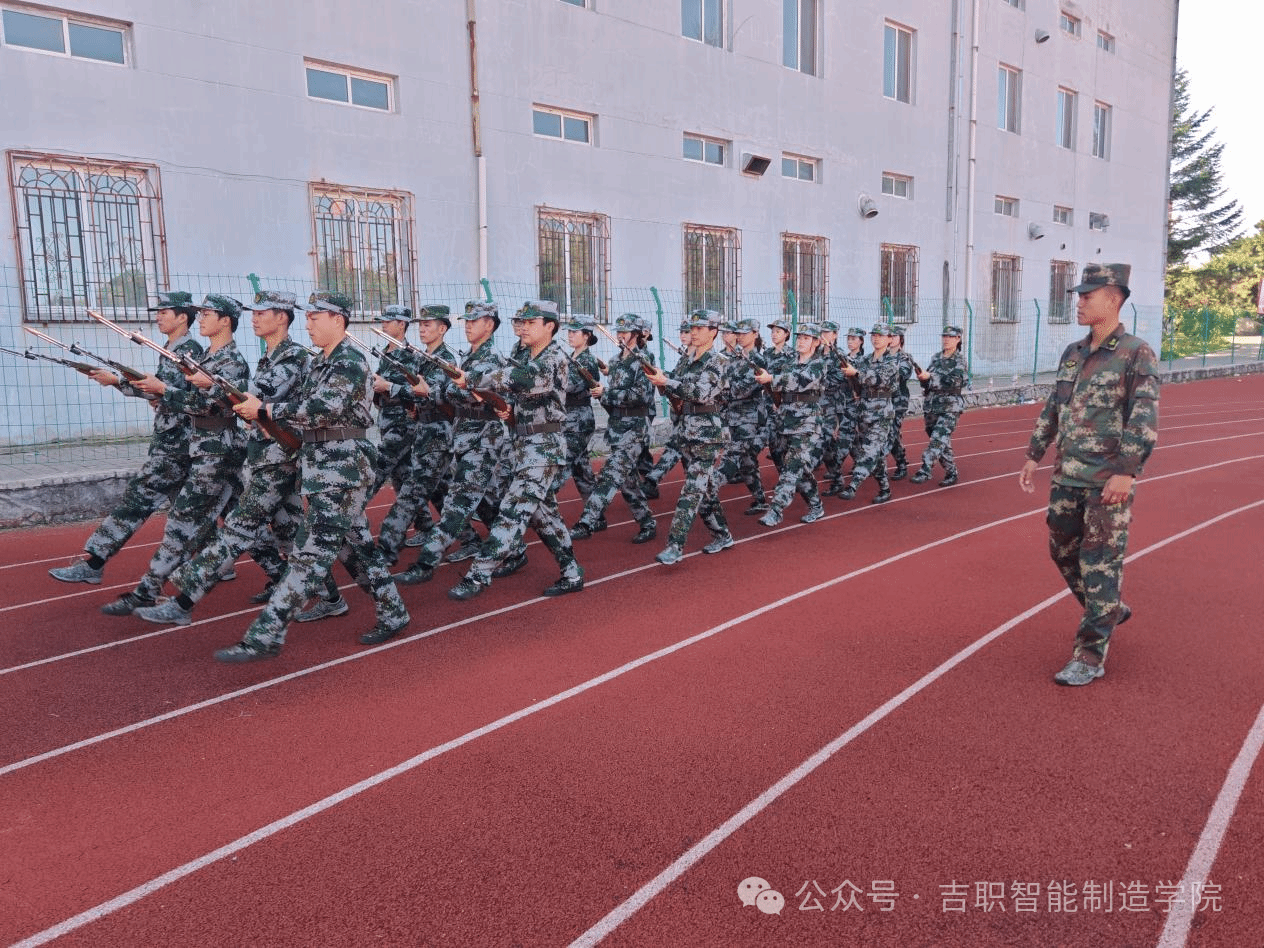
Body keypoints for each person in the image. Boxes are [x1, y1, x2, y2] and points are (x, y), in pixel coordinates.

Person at [213, 292, 410, 662]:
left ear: (338, 319)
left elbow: (321, 409)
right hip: (324, 467)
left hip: (343, 468)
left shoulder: (349, 361)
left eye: (315, 317)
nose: (308, 324)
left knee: (308, 555)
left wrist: (267, 410)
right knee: (357, 548)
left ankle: (264, 636)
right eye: (307, 318)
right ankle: (394, 611)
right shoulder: (321, 361)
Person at [134, 290, 318, 627]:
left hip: (280, 455)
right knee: (290, 529)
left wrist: (211, 385)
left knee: (238, 529)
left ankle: (181, 602)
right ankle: (328, 595)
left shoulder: (292, 356)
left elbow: (257, 398)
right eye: (253, 312)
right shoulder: (269, 357)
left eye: (262, 312)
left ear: (281, 317)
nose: (254, 318)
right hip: (267, 456)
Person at [1020, 263, 1159, 686]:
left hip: (1105, 482)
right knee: (1061, 552)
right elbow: (1054, 405)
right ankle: (1108, 608)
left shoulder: (1135, 353)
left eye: (1087, 295)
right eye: (1079, 295)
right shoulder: (1074, 352)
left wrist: (1126, 473)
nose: (1078, 302)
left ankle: (1089, 654)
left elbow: (1143, 418)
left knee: (1099, 565)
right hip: (1067, 476)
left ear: (1113, 299)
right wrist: (1034, 452)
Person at [100, 294, 250, 615]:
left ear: (225, 320)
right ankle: (293, 577)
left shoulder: (233, 362)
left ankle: (152, 593)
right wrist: (164, 395)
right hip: (199, 449)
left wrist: (165, 392)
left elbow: (210, 405)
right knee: (247, 524)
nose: (202, 318)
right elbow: (186, 399)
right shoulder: (206, 358)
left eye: (207, 313)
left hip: (217, 451)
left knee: (186, 522)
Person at [49, 291, 203, 585]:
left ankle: (94, 562)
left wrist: (116, 381)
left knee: (137, 499)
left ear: (183, 317)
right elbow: (168, 392)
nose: (158, 317)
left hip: (175, 443)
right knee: (189, 508)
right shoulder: (172, 347)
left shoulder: (187, 350)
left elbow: (164, 389)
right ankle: (213, 562)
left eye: (164, 312)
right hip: (176, 438)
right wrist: (149, 394)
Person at [445, 300, 585, 601]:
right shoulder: (520, 352)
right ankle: (572, 572)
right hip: (520, 444)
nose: (523, 328)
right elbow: (511, 388)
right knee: (543, 517)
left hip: (544, 447)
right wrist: (506, 408)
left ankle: (478, 575)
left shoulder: (554, 358)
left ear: (550, 326)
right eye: (520, 322)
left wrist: (471, 379)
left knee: (512, 510)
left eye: (531, 322)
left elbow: (519, 378)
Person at [394, 302, 515, 585]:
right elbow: (455, 392)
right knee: (484, 500)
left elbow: (468, 394)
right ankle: (516, 549)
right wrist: (440, 391)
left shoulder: (491, 358)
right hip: (465, 435)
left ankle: (426, 563)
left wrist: (438, 392)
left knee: (457, 502)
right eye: (467, 321)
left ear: (490, 325)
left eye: (475, 321)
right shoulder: (468, 357)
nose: (468, 326)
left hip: (483, 437)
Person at [640, 309, 732, 564]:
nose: (694, 332)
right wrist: (661, 380)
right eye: (692, 328)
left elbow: (700, 393)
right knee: (705, 490)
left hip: (707, 435)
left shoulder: (719, 361)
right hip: (686, 431)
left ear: (713, 332)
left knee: (691, 490)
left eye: (699, 328)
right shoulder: (686, 359)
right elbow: (674, 390)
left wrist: (667, 382)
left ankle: (675, 545)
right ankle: (722, 534)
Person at [376, 304, 457, 561]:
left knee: (411, 492)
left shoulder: (444, 360)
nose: (422, 329)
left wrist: (389, 387)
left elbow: (429, 392)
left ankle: (387, 548)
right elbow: (420, 395)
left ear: (442, 329)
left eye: (427, 325)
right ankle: (469, 538)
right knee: (441, 491)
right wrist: (415, 407)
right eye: (420, 324)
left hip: (437, 434)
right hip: (424, 431)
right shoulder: (423, 358)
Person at [570, 313, 658, 544]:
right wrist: (600, 393)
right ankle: (647, 523)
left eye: (625, 332)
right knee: (628, 483)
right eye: (619, 331)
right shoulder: (616, 361)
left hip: (636, 429)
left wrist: (606, 392)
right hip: (617, 428)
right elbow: (613, 398)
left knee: (610, 475)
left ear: (636, 334)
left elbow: (642, 396)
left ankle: (587, 522)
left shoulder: (643, 360)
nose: (620, 335)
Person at [753, 322, 826, 526]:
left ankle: (776, 510)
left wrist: (771, 378)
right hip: (785, 420)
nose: (801, 341)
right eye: (799, 337)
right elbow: (780, 385)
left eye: (806, 338)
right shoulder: (790, 361)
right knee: (799, 468)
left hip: (807, 422)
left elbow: (799, 381)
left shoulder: (818, 364)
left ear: (816, 342)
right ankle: (816, 506)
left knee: (792, 467)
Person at [837, 324, 898, 503]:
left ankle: (853, 485)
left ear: (889, 339)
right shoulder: (865, 359)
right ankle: (885, 489)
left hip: (882, 414)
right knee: (875, 454)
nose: (876, 338)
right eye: (874, 335)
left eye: (881, 335)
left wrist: (856, 372)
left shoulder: (891, 361)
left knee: (869, 451)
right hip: (864, 412)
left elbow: (877, 379)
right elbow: (854, 380)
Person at [912, 326, 969, 486]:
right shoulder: (936, 357)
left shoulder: (959, 360)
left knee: (938, 439)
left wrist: (931, 377)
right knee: (941, 442)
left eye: (950, 337)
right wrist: (923, 378)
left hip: (950, 407)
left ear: (958, 339)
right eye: (944, 336)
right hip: (932, 406)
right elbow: (928, 382)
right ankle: (951, 472)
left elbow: (956, 381)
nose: (946, 339)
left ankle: (925, 469)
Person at [553, 313, 601, 505]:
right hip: (569, 417)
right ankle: (595, 513)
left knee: (561, 466)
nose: (570, 335)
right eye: (569, 332)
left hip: (579, 420)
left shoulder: (587, 360)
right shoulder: (571, 357)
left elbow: (571, 386)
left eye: (575, 332)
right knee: (582, 471)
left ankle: (538, 504)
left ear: (587, 335)